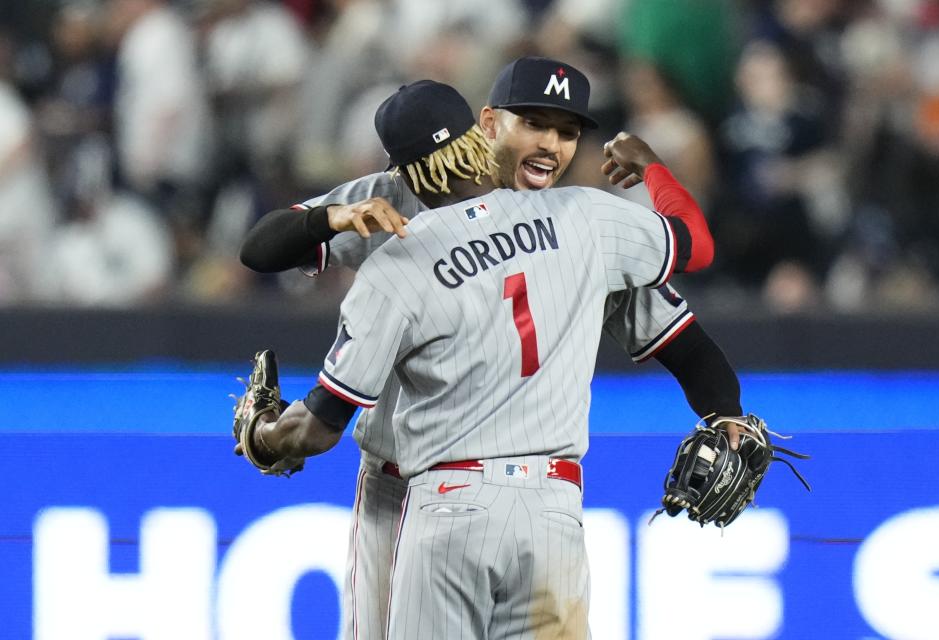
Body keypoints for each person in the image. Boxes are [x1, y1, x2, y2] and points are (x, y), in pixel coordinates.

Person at [239, 59, 737, 639]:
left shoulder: (576, 222)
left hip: (448, 498)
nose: (549, 145)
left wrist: (723, 413)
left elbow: (687, 346)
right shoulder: (411, 198)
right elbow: (259, 248)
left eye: (567, 131)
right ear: (488, 125)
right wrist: (331, 218)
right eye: (533, 124)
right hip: (412, 487)